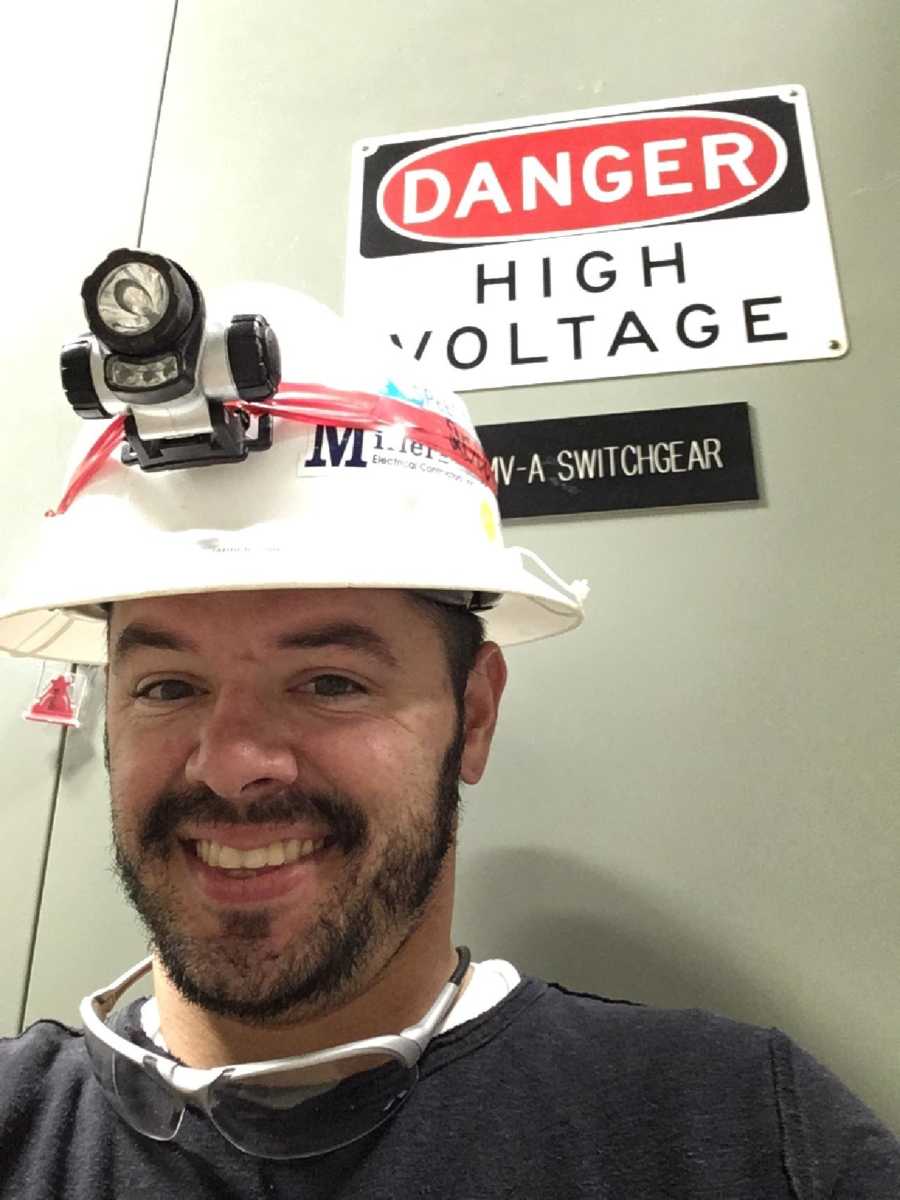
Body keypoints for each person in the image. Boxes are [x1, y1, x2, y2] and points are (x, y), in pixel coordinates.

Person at [0, 262, 897, 1199]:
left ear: (473, 715)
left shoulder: (740, 1134)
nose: (229, 764)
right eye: (168, 685)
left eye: (330, 681)